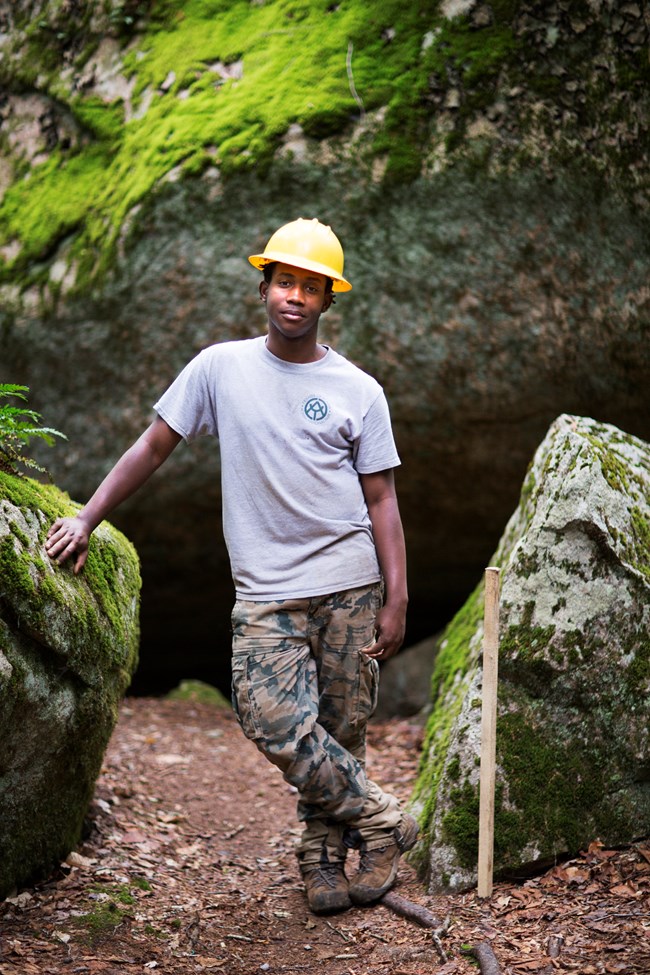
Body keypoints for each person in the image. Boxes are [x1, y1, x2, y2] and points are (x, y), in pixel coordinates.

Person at [46, 217, 418, 914]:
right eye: (285, 281)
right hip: (268, 589)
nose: (295, 297)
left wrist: (397, 598)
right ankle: (388, 817)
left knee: (341, 728)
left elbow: (382, 497)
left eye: (311, 287)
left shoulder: (358, 390)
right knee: (274, 718)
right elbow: (153, 446)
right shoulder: (220, 367)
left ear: (328, 301)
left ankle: (324, 856)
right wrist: (87, 516)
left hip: (348, 582)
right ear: (263, 287)